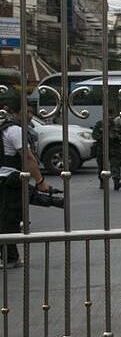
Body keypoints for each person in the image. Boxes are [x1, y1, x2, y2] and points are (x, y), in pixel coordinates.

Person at [0, 92, 50, 269]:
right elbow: (28, 158)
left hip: (7, 179)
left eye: (31, 112)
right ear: (16, 112)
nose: (30, 115)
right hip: (10, 180)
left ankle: (10, 256)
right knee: (9, 219)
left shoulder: (6, 127)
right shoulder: (15, 130)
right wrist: (40, 181)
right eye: (26, 112)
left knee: (7, 219)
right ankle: (10, 257)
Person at [92, 108, 121, 191]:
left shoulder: (117, 125)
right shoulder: (99, 125)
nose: (110, 117)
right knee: (102, 167)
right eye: (108, 115)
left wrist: (117, 137)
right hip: (102, 149)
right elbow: (94, 135)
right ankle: (102, 182)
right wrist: (104, 137)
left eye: (111, 116)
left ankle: (116, 182)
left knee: (115, 166)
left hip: (115, 149)